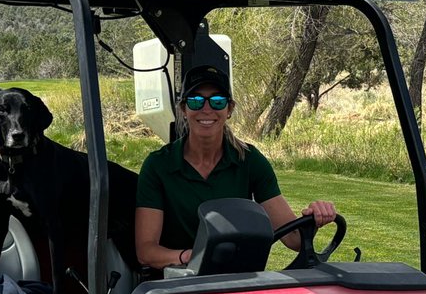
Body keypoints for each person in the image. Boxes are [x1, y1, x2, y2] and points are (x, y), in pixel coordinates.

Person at [135, 64, 336, 271]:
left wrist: (314, 218)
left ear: (229, 109)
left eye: (217, 101)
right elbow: (146, 252)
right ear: (183, 109)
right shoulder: (158, 165)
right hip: (178, 284)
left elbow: (293, 240)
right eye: (195, 101)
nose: (206, 109)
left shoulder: (250, 160)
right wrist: (192, 257)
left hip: (234, 282)